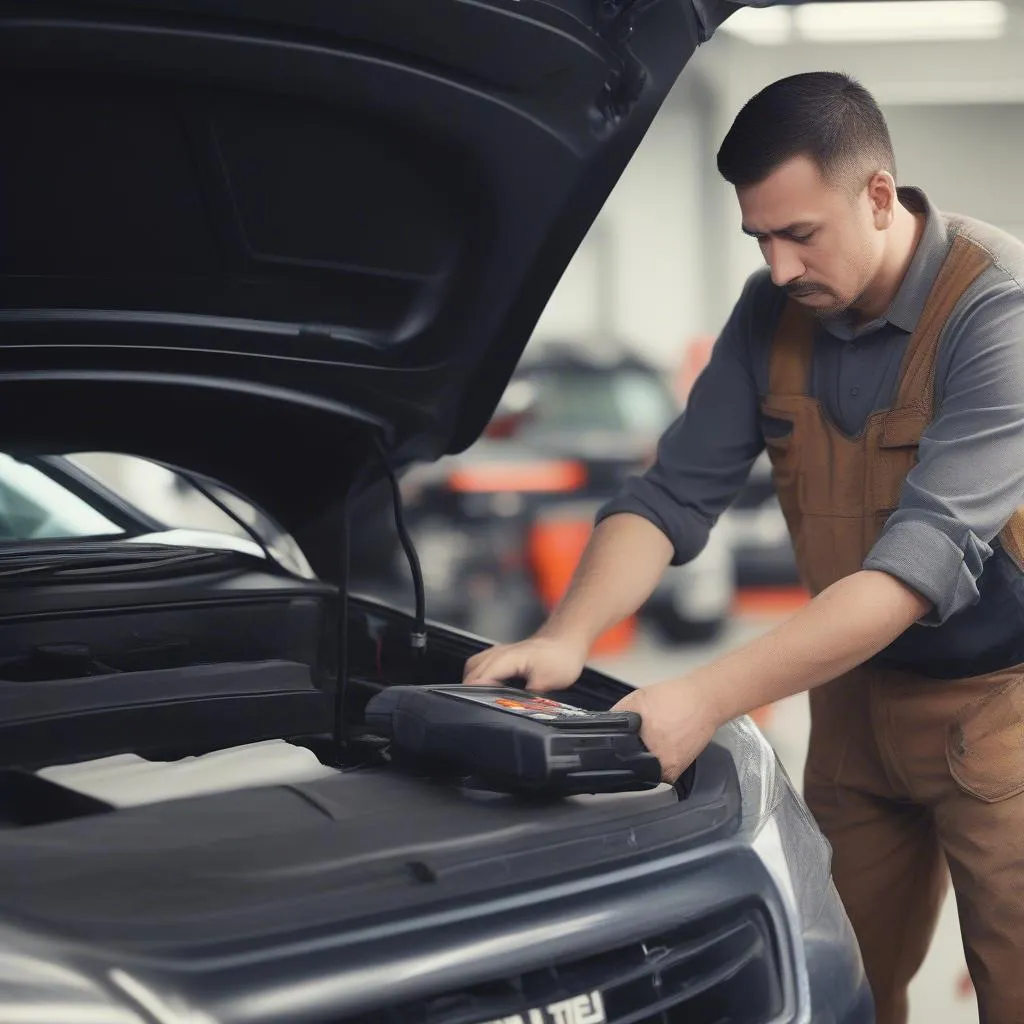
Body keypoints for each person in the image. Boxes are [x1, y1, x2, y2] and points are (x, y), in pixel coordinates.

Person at [463, 72, 1024, 1024]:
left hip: (1000, 718)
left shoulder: (995, 311)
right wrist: (569, 635)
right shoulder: (773, 313)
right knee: (827, 984)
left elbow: (912, 569)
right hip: (853, 708)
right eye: (759, 237)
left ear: (878, 196)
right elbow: (672, 495)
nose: (776, 266)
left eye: (799, 233)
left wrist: (706, 697)